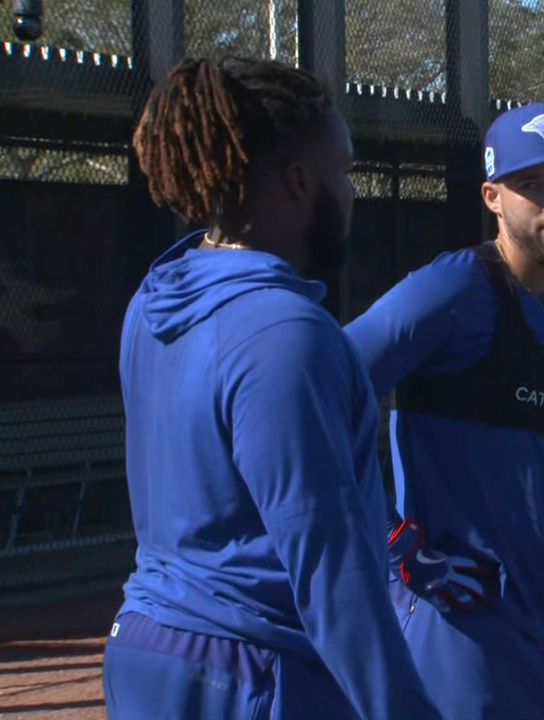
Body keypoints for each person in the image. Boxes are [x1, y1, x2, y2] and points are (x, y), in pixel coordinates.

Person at [102, 56, 441, 720]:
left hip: (143, 651)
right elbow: (330, 572)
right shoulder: (285, 333)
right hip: (251, 671)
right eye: (343, 172)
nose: (352, 193)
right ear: (296, 181)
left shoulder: (153, 301)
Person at [344, 102, 544, 718]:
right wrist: (395, 541)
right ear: (492, 197)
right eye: (529, 184)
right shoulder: (451, 293)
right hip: (455, 640)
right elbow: (321, 395)